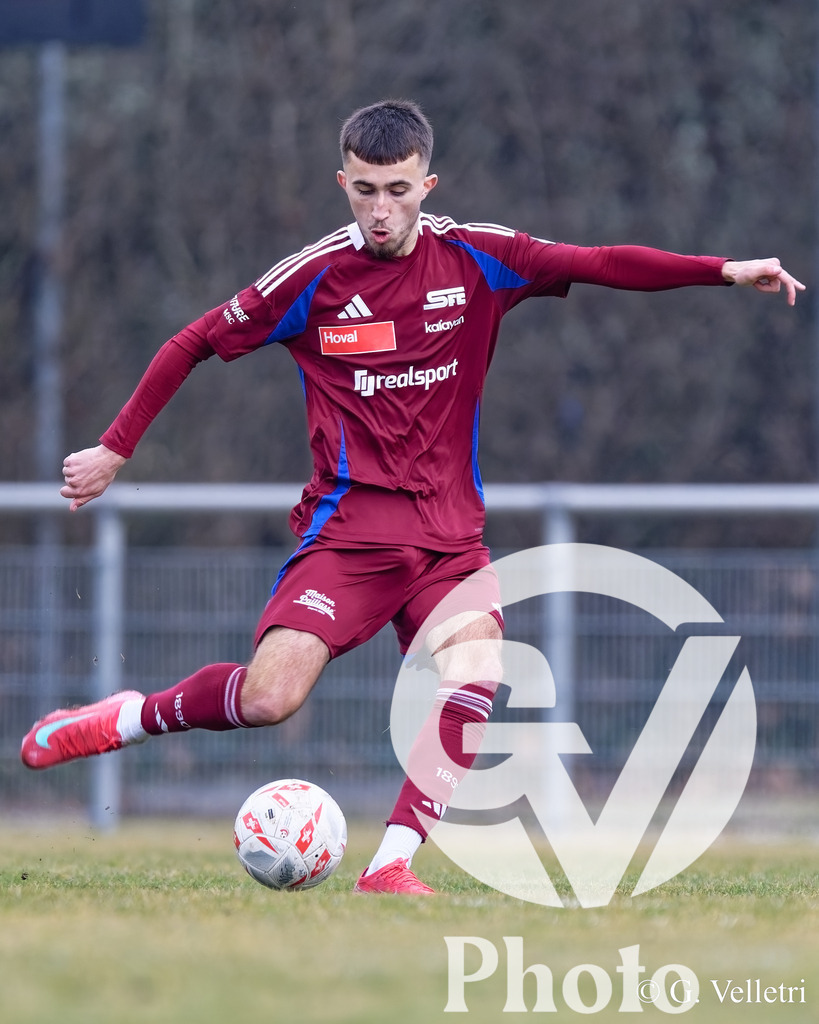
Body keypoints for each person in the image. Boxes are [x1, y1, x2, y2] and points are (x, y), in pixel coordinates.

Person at [21, 99, 805, 894]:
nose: (380, 210)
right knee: (267, 701)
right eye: (363, 190)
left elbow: (597, 261)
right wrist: (116, 447)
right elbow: (191, 341)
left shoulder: (478, 258)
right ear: (342, 182)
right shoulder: (314, 277)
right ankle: (124, 718)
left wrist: (723, 271)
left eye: (396, 189)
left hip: (447, 538)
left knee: (476, 672)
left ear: (427, 182)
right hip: (348, 533)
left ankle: (389, 864)